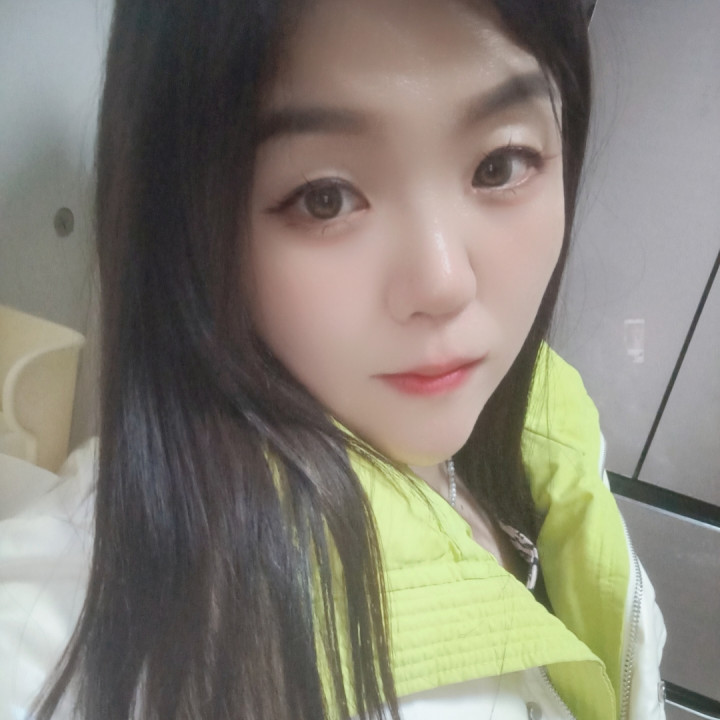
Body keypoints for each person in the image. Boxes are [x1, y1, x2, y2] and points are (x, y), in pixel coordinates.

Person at [1, 0, 666, 718]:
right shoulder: (97, 599)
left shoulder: (547, 415)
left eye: (499, 165)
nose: (444, 283)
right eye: (325, 199)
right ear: (187, 228)